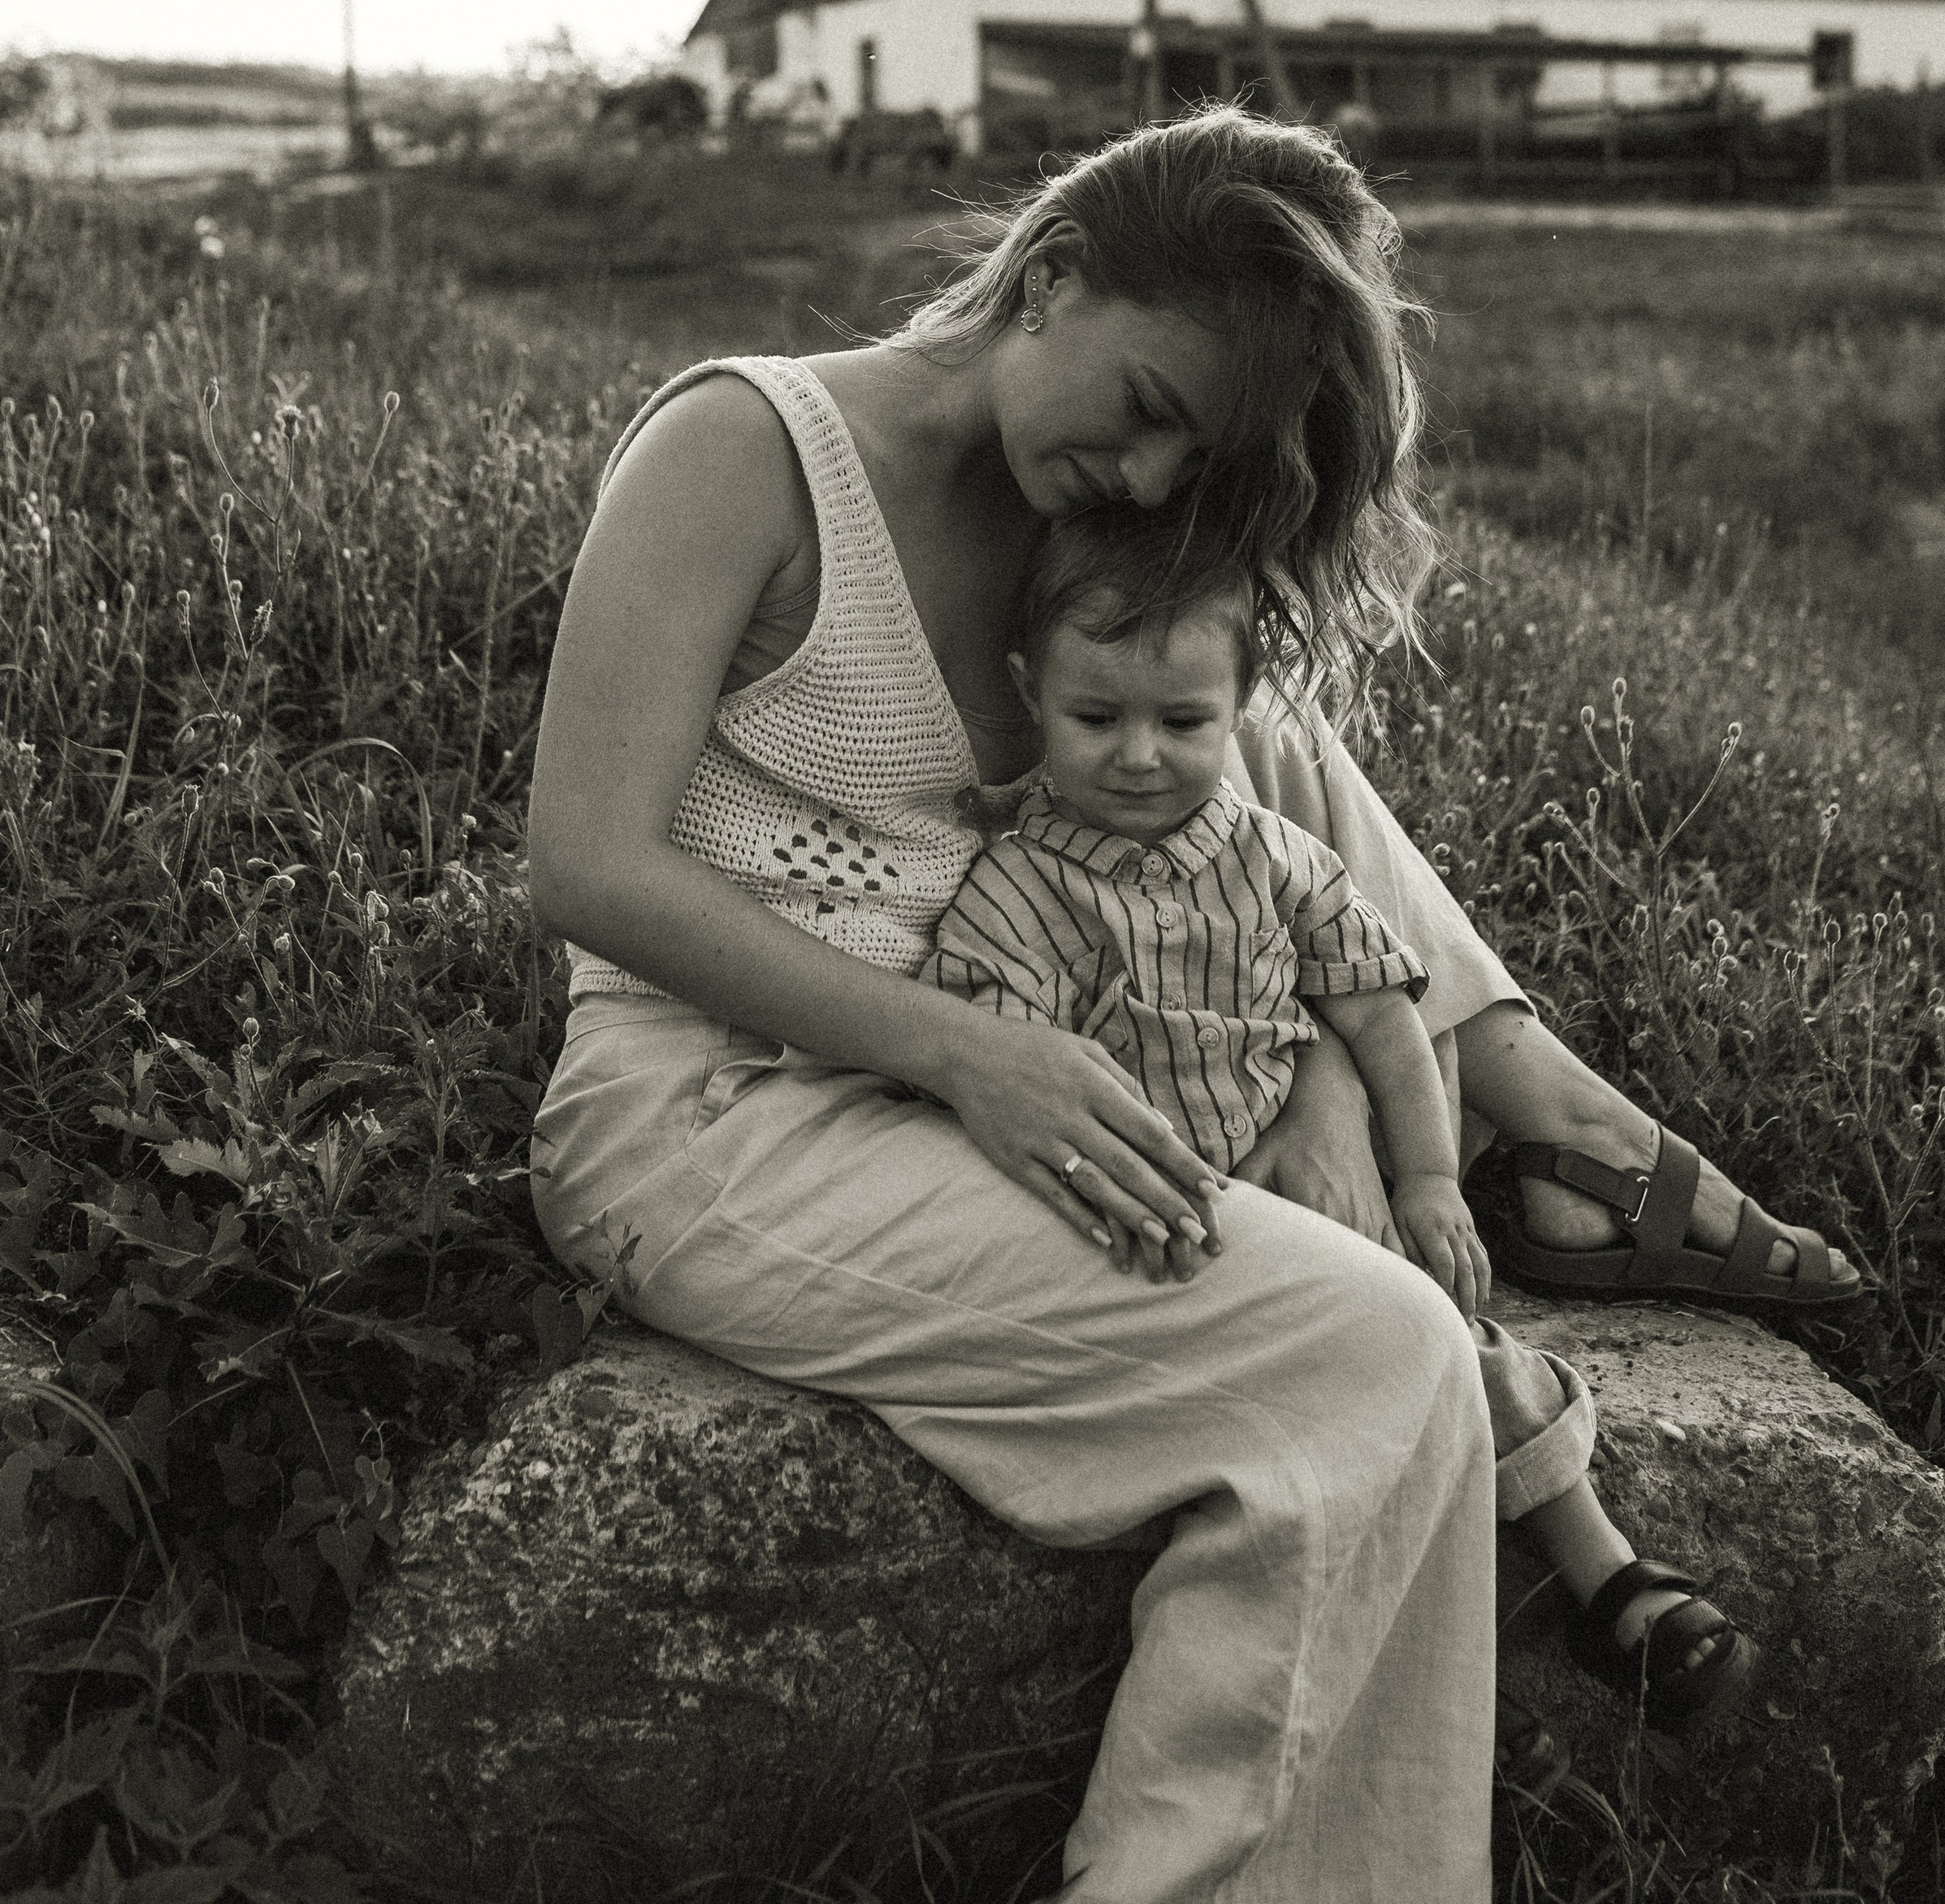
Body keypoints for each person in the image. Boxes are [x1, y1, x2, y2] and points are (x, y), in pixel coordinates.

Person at [527, 108, 1852, 1902]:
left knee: (1258, 758)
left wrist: (1315, 1072)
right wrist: (974, 1055)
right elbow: (586, 866)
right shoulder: (741, 448)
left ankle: (1518, 1102)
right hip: (706, 1115)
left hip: (969, 1103)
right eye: (1147, 406)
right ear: (1050, 276)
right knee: (1375, 1357)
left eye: (1193, 451)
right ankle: (1542, 1117)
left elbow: (1232, 832)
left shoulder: (1089, 548)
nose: (1150, 479)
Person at [924, 504, 1755, 1741]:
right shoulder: (1023, 891)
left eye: (1185, 722)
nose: (1141, 755)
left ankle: (1607, 1571)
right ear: (1027, 692)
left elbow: (1389, 1030)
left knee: (1438, 1324)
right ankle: (1584, 1582)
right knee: (1372, 1344)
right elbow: (1019, 1079)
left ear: (1243, 703)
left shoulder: (1279, 858)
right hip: (1154, 1207)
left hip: (1304, 1180)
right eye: (1097, 718)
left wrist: (1424, 1179)